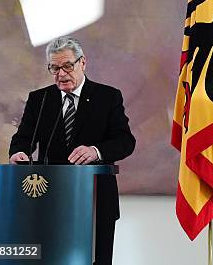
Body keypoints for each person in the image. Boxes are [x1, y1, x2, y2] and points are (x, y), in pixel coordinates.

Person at [9, 36, 136, 265]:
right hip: (49, 199)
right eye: (54, 68)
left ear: (82, 63)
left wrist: (96, 151)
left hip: (96, 200)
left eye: (67, 66)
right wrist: (19, 152)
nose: (61, 73)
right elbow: (23, 138)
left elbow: (125, 141)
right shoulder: (40, 99)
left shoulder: (107, 97)